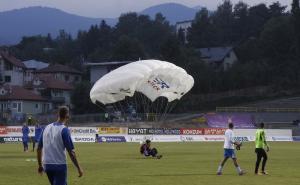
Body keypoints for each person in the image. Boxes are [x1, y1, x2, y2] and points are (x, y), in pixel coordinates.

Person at [37, 106, 83, 185]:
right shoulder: (64, 130)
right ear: (67, 116)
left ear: (58, 115)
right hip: (59, 166)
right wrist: (79, 168)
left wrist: (40, 165)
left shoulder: (46, 128)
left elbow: (39, 148)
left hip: (47, 166)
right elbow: (71, 152)